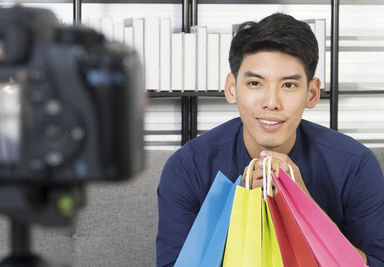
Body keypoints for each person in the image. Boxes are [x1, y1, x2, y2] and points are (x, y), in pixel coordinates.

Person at [156, 13, 384, 267]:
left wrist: (304, 207)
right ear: (232, 88)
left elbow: (374, 263)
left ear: (312, 93)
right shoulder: (188, 167)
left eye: (288, 85)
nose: (271, 103)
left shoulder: (355, 165)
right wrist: (238, 208)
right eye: (255, 83)